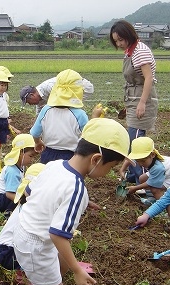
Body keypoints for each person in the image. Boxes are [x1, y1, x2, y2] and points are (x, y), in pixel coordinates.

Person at [13, 118, 130, 285]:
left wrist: (62, 202)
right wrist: (77, 271)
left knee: (58, 268)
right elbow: (58, 235)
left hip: (22, 232)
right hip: (37, 246)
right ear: (97, 159)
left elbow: (29, 192)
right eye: (112, 166)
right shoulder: (77, 189)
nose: (110, 172)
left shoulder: (55, 164)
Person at [110, 20, 158, 185]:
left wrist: (142, 103)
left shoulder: (140, 51)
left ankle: (144, 183)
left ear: (129, 35)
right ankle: (133, 175)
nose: (119, 43)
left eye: (121, 39)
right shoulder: (130, 51)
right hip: (133, 96)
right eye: (116, 41)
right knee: (133, 139)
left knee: (135, 142)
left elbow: (149, 78)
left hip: (142, 97)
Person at [29, 69, 101, 164]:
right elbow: (89, 135)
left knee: (47, 177)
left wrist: (38, 142)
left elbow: (35, 133)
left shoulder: (46, 110)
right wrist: (95, 117)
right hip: (71, 157)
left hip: (48, 154)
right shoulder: (79, 114)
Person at [0, 163, 45, 285]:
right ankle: (21, 273)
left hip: (7, 249)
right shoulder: (31, 209)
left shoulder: (27, 202)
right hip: (8, 254)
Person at [0, 134, 37, 213]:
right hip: (0, 199)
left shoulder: (21, 166)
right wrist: (24, 203)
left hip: (8, 195)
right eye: (31, 156)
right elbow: (9, 194)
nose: (32, 159)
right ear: (20, 152)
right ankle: (9, 212)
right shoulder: (12, 171)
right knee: (22, 200)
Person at [120, 137, 170, 204]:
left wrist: (135, 188)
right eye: (138, 161)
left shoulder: (158, 167)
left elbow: (150, 183)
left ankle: (162, 205)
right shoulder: (144, 157)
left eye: (143, 161)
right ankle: (152, 199)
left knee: (155, 189)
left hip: (168, 176)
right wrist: (122, 170)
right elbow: (130, 159)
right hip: (163, 172)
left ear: (152, 155)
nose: (140, 164)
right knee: (142, 178)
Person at [20, 75, 94, 114]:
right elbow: (40, 112)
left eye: (28, 102)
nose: (29, 104)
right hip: (70, 93)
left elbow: (61, 103)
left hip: (83, 87)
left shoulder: (49, 87)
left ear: (32, 95)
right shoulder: (39, 97)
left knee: (66, 109)